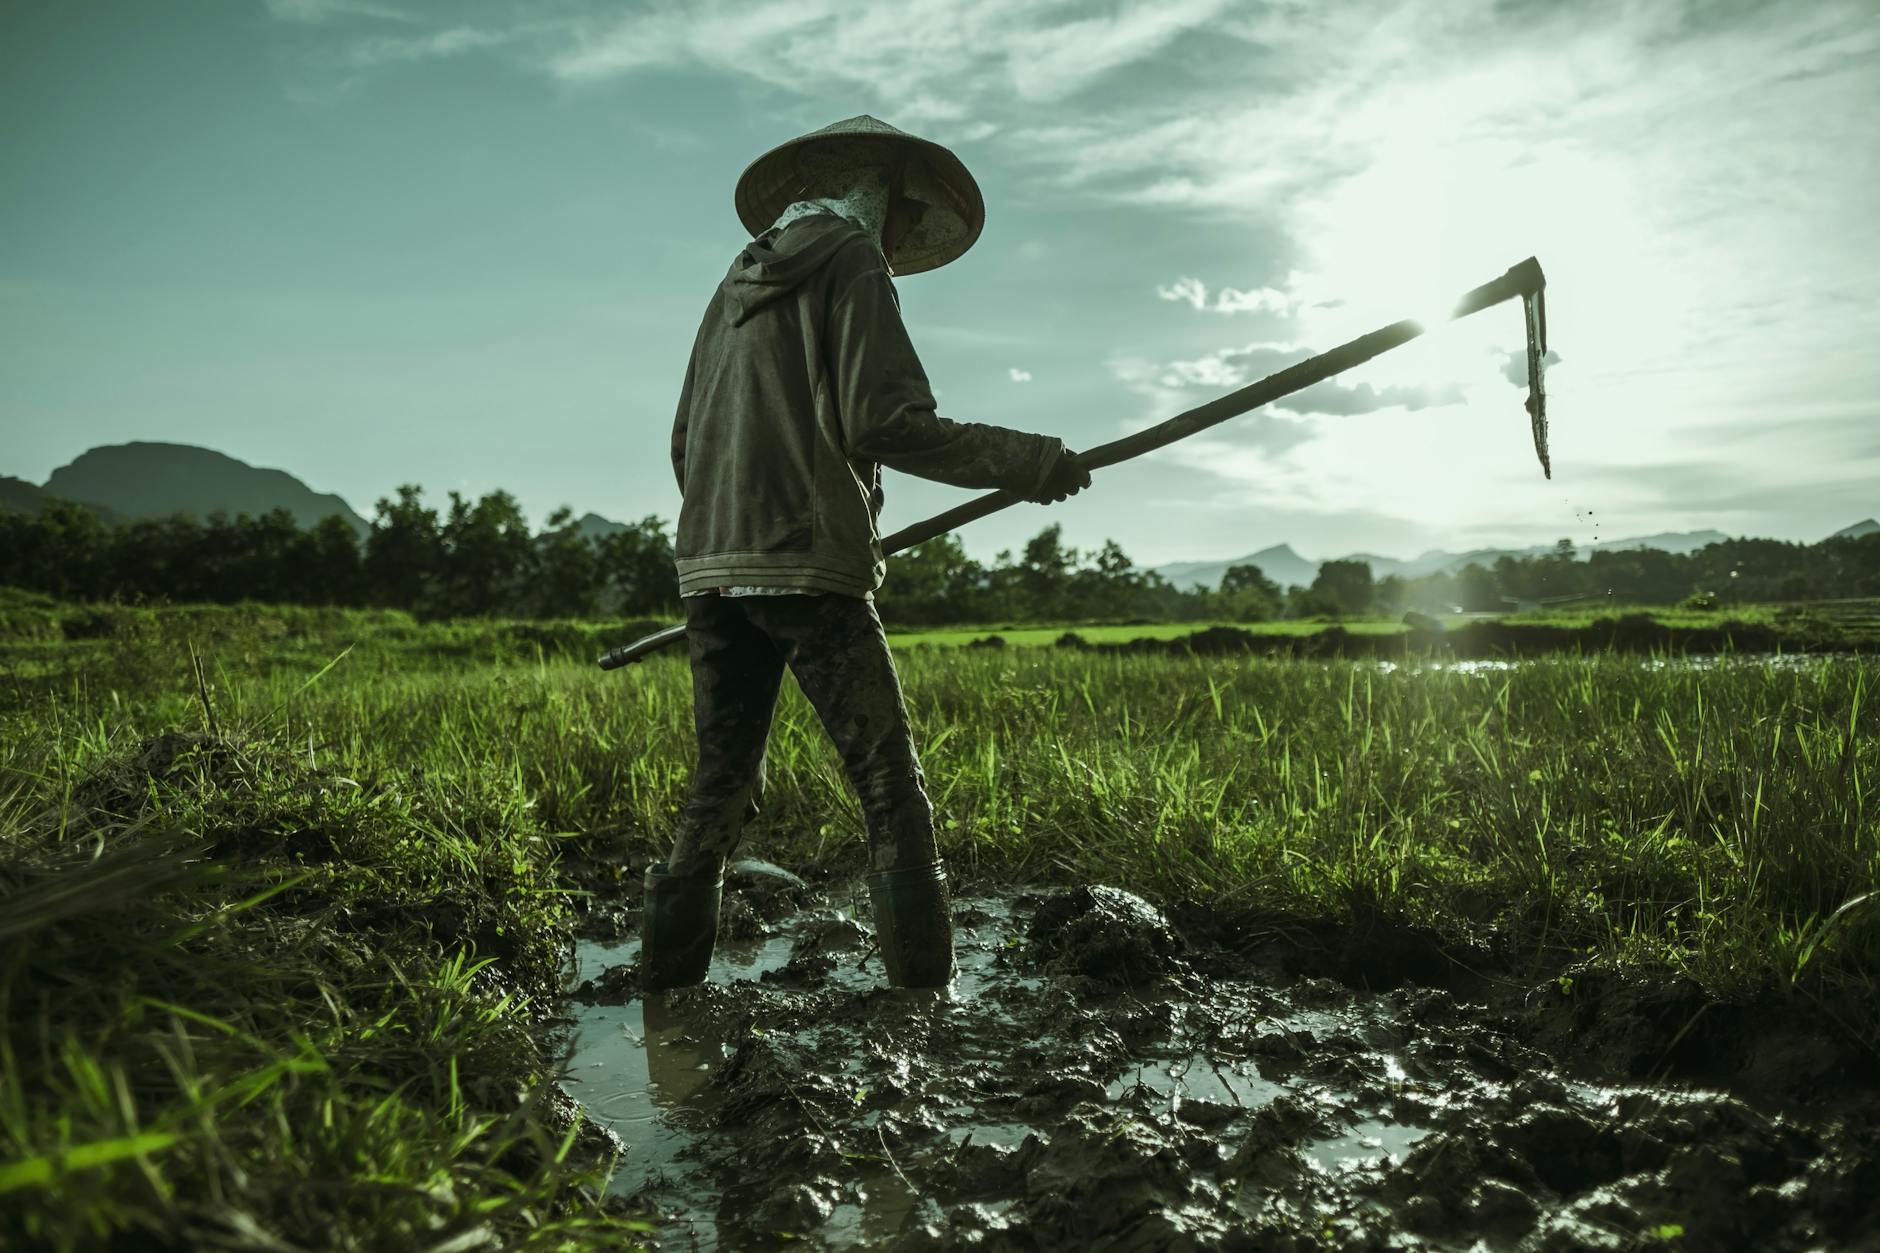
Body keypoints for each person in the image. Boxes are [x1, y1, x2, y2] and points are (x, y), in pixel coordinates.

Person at [643, 114, 1090, 992]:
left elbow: (684, 442)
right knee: (890, 786)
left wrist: (736, 526)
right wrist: (1030, 459)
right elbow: (884, 422)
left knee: (718, 790)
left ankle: (665, 1002)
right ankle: (924, 1008)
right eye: (902, 217)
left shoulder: (730, 285)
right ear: (877, 196)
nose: (899, 237)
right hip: (805, 564)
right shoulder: (853, 262)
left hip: (709, 563)